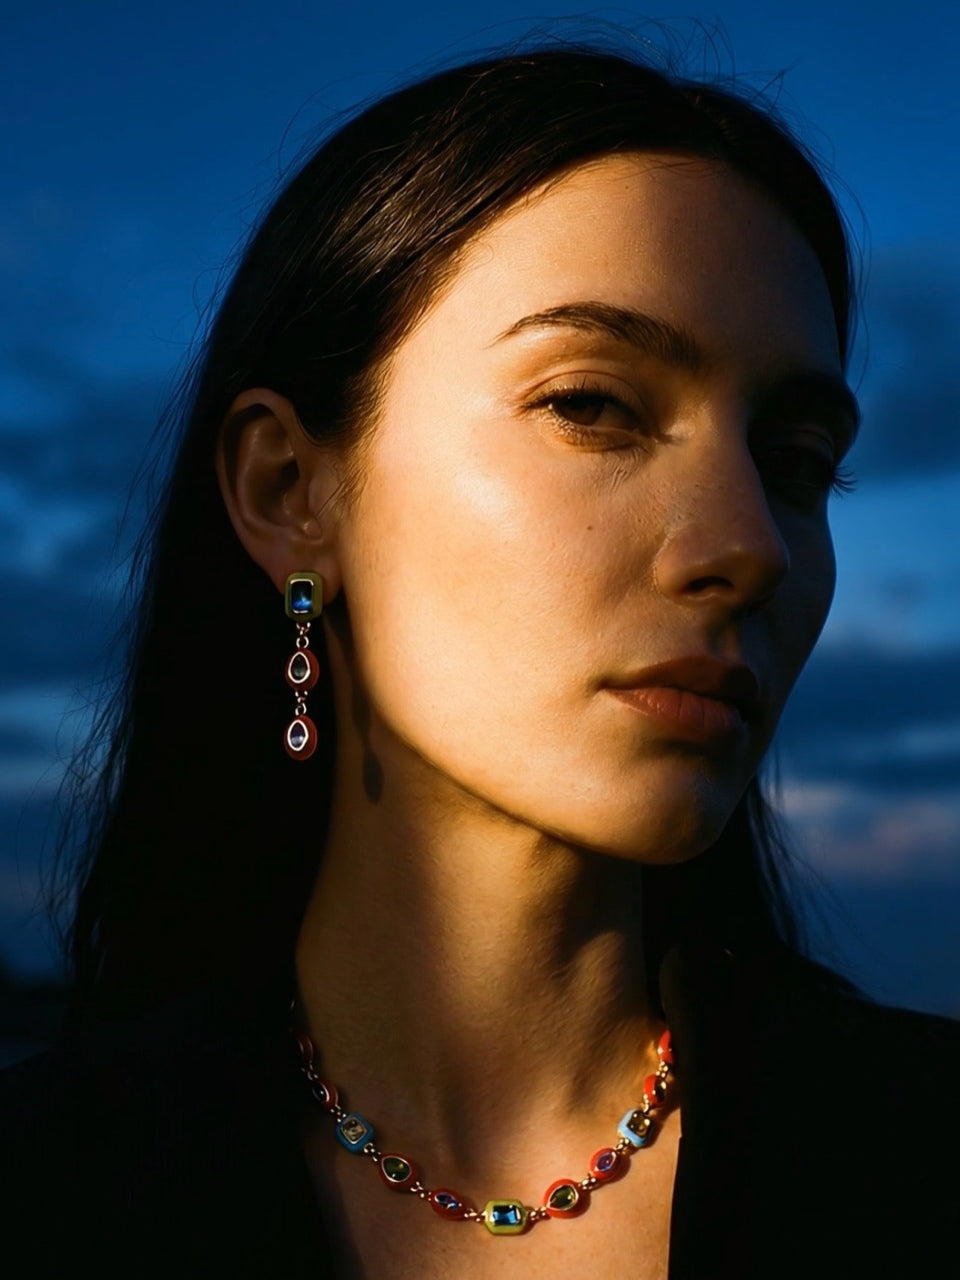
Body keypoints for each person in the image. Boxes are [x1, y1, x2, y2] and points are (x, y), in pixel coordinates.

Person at [2, 37, 958, 1280]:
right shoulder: (49, 1199)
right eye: (592, 404)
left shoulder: (920, 1169)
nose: (750, 546)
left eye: (795, 459)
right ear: (291, 489)